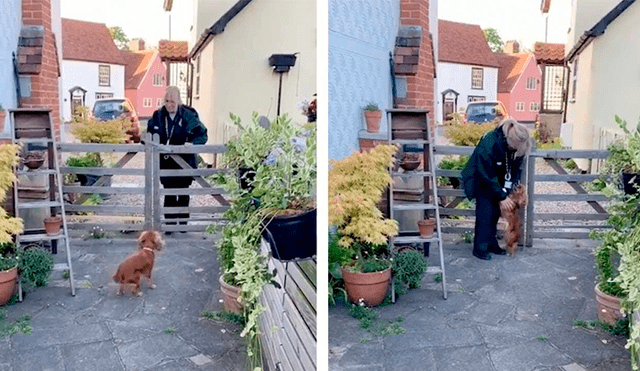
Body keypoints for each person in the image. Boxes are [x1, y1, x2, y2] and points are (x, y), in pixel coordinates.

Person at [460, 118, 532, 260]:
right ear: (512, 140)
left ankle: (491, 244)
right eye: (517, 147)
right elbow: (484, 172)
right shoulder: (490, 142)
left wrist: (509, 189)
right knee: (485, 213)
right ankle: (479, 248)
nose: (518, 150)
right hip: (481, 178)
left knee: (494, 214)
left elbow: (516, 168)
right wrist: (501, 196)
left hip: (496, 179)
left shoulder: (516, 146)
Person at [147, 86, 207, 234]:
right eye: (167, 101)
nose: (169, 105)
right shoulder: (158, 116)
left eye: (172, 101)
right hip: (166, 163)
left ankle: (182, 225)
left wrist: (192, 144)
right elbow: (147, 135)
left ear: (179, 101)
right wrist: (152, 143)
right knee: (169, 193)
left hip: (185, 162)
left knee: (183, 193)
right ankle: (170, 224)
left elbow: (202, 135)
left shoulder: (188, 115)